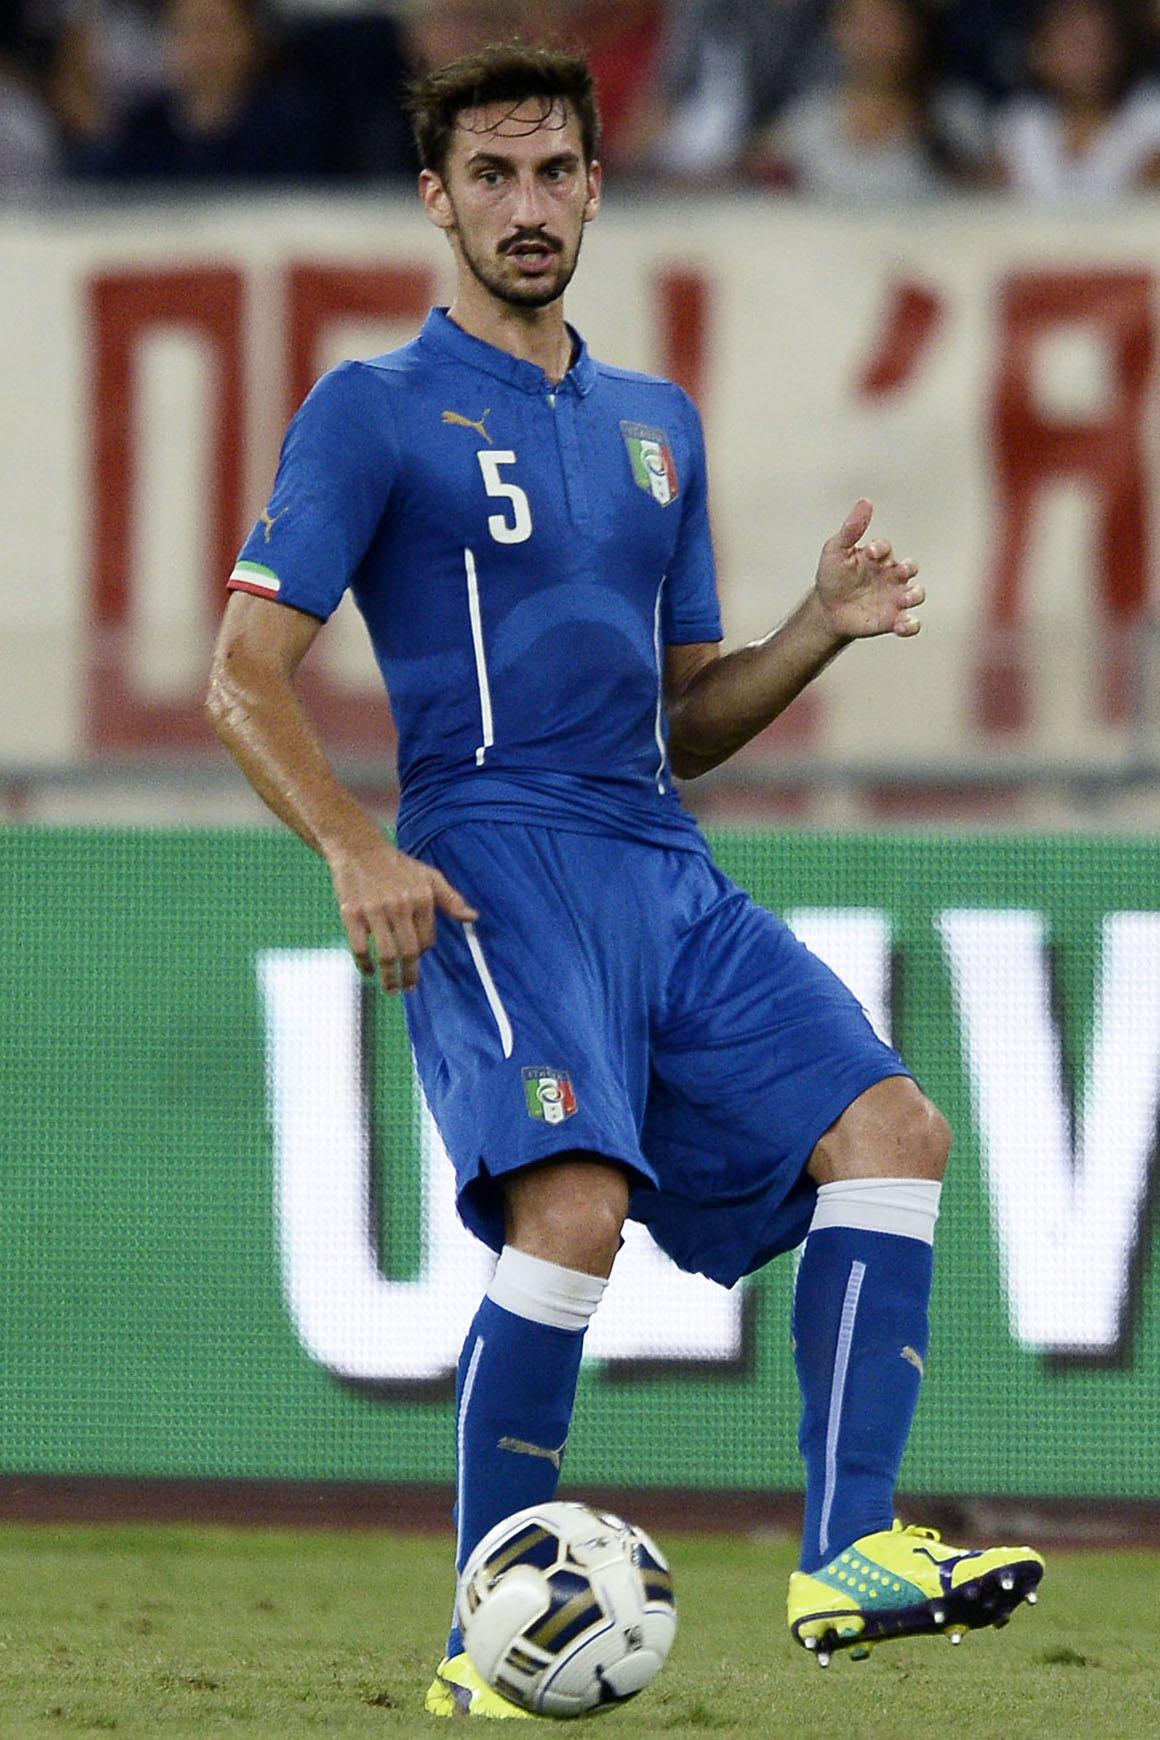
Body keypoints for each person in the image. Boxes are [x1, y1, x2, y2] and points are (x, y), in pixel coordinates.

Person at [205, 40, 1045, 1718]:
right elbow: (241, 673)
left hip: (660, 857)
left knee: (894, 1134)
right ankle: (481, 1638)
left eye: (553, 172)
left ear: (596, 187)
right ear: (438, 198)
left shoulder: (659, 427)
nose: (526, 205)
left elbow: (690, 721)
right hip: (493, 857)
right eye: (491, 175)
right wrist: (357, 845)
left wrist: (814, 630)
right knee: (571, 1209)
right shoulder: (373, 410)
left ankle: (850, 1554)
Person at [991, 0, 1160, 198]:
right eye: (1071, 44)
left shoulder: (1150, 119)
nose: (1084, 58)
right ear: (1039, 53)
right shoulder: (1019, 125)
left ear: (1118, 51)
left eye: (1093, 43)